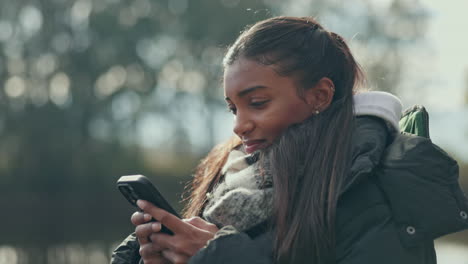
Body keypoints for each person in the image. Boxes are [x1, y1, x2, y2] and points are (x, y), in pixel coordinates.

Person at [111, 16, 468, 264]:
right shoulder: (234, 184)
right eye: (233, 108)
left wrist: (217, 257)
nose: (239, 125)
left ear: (319, 96)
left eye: (257, 103)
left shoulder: (371, 191)